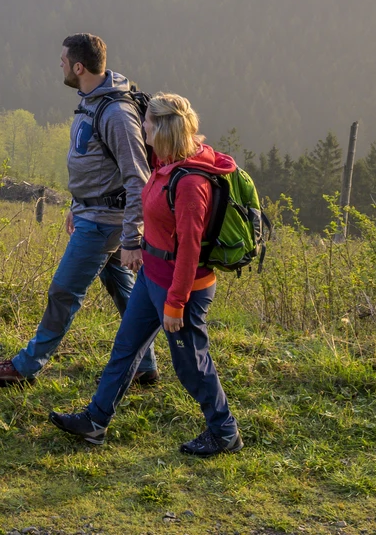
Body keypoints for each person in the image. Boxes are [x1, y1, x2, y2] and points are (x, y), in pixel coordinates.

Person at [49, 92, 243, 457]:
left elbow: (188, 250)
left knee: (191, 364)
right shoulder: (165, 161)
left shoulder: (189, 185)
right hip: (152, 278)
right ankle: (96, 421)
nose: (143, 128)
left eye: (148, 123)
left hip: (180, 289)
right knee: (125, 349)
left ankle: (225, 431)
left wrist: (175, 303)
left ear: (164, 130)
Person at [0, 34, 158, 388]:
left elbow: (138, 179)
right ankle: (144, 364)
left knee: (63, 291)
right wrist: (78, 203)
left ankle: (25, 367)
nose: (58, 64)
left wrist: (133, 238)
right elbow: (92, 163)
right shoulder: (92, 101)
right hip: (93, 213)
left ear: (79, 66)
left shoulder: (117, 114)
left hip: (105, 222)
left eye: (63, 60)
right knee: (122, 287)